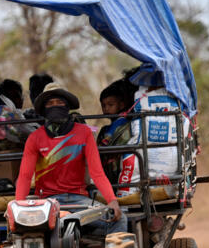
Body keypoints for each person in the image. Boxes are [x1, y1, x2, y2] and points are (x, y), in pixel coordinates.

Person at [15, 83, 125, 235]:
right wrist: (18, 206)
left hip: (79, 200)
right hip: (48, 202)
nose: (55, 106)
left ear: (67, 106)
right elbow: (25, 177)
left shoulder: (84, 132)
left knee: (119, 219)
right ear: (44, 109)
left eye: (60, 102)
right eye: (50, 103)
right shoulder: (35, 138)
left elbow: (97, 173)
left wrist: (112, 201)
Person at [97, 79, 138, 182]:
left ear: (122, 105)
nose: (106, 109)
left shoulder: (124, 124)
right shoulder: (106, 129)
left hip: (118, 170)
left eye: (110, 105)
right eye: (103, 105)